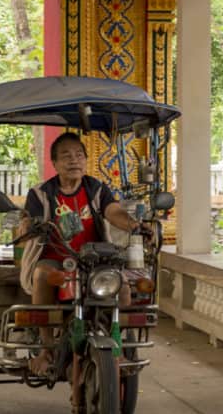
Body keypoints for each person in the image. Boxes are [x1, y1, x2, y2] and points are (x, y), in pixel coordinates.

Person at [20, 133, 154, 375]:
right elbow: (29, 220)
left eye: (79, 155)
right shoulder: (41, 193)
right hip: (57, 258)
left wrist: (134, 225)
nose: (74, 160)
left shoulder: (96, 188)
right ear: (55, 162)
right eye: (66, 156)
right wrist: (28, 226)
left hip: (95, 259)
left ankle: (117, 342)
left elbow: (113, 211)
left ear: (86, 160)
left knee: (123, 285)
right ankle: (46, 347)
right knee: (41, 275)